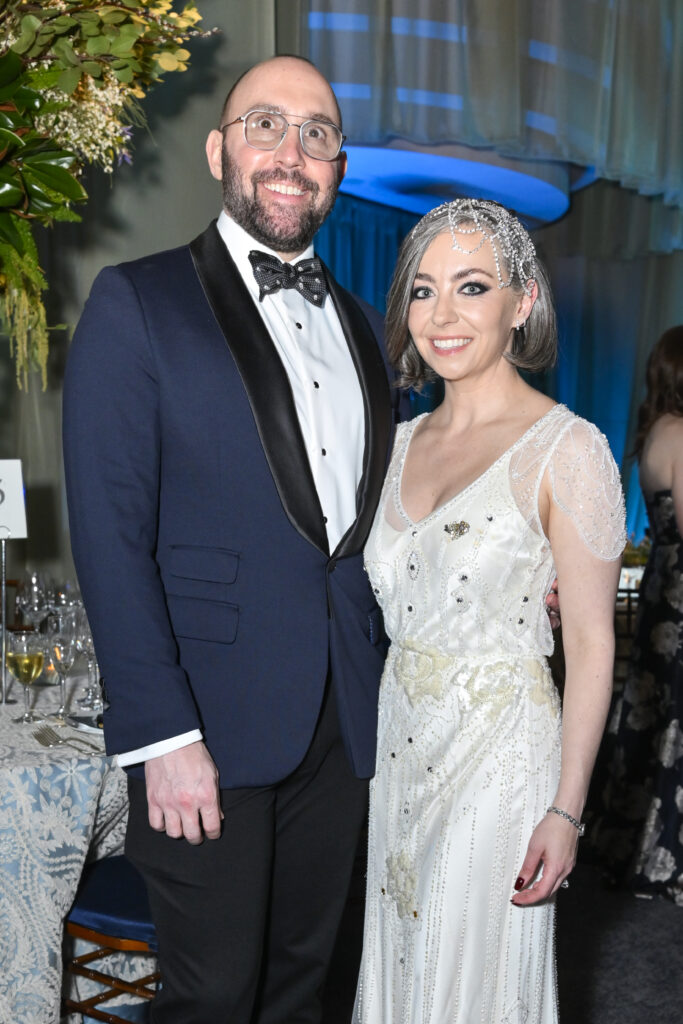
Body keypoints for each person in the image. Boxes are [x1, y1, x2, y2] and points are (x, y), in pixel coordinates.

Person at [63, 55, 396, 1024]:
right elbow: (110, 536)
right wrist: (162, 735)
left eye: (317, 133)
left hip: (342, 722)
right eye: (265, 124)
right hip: (204, 725)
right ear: (219, 150)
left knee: (303, 980)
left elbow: (373, 532)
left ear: (338, 166)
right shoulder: (138, 302)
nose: (291, 152)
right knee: (212, 994)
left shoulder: (367, 329)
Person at [353, 198, 627, 1024]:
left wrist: (565, 807)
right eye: (423, 290)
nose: (442, 316)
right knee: (404, 958)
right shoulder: (393, 443)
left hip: (500, 758)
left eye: (470, 287)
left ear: (521, 304)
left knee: (468, 978)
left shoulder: (568, 448)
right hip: (398, 745)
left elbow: (589, 643)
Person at [589, 325, 683, 904]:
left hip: (661, 593)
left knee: (653, 714)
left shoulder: (655, 432)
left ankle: (633, 843)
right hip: (679, 596)